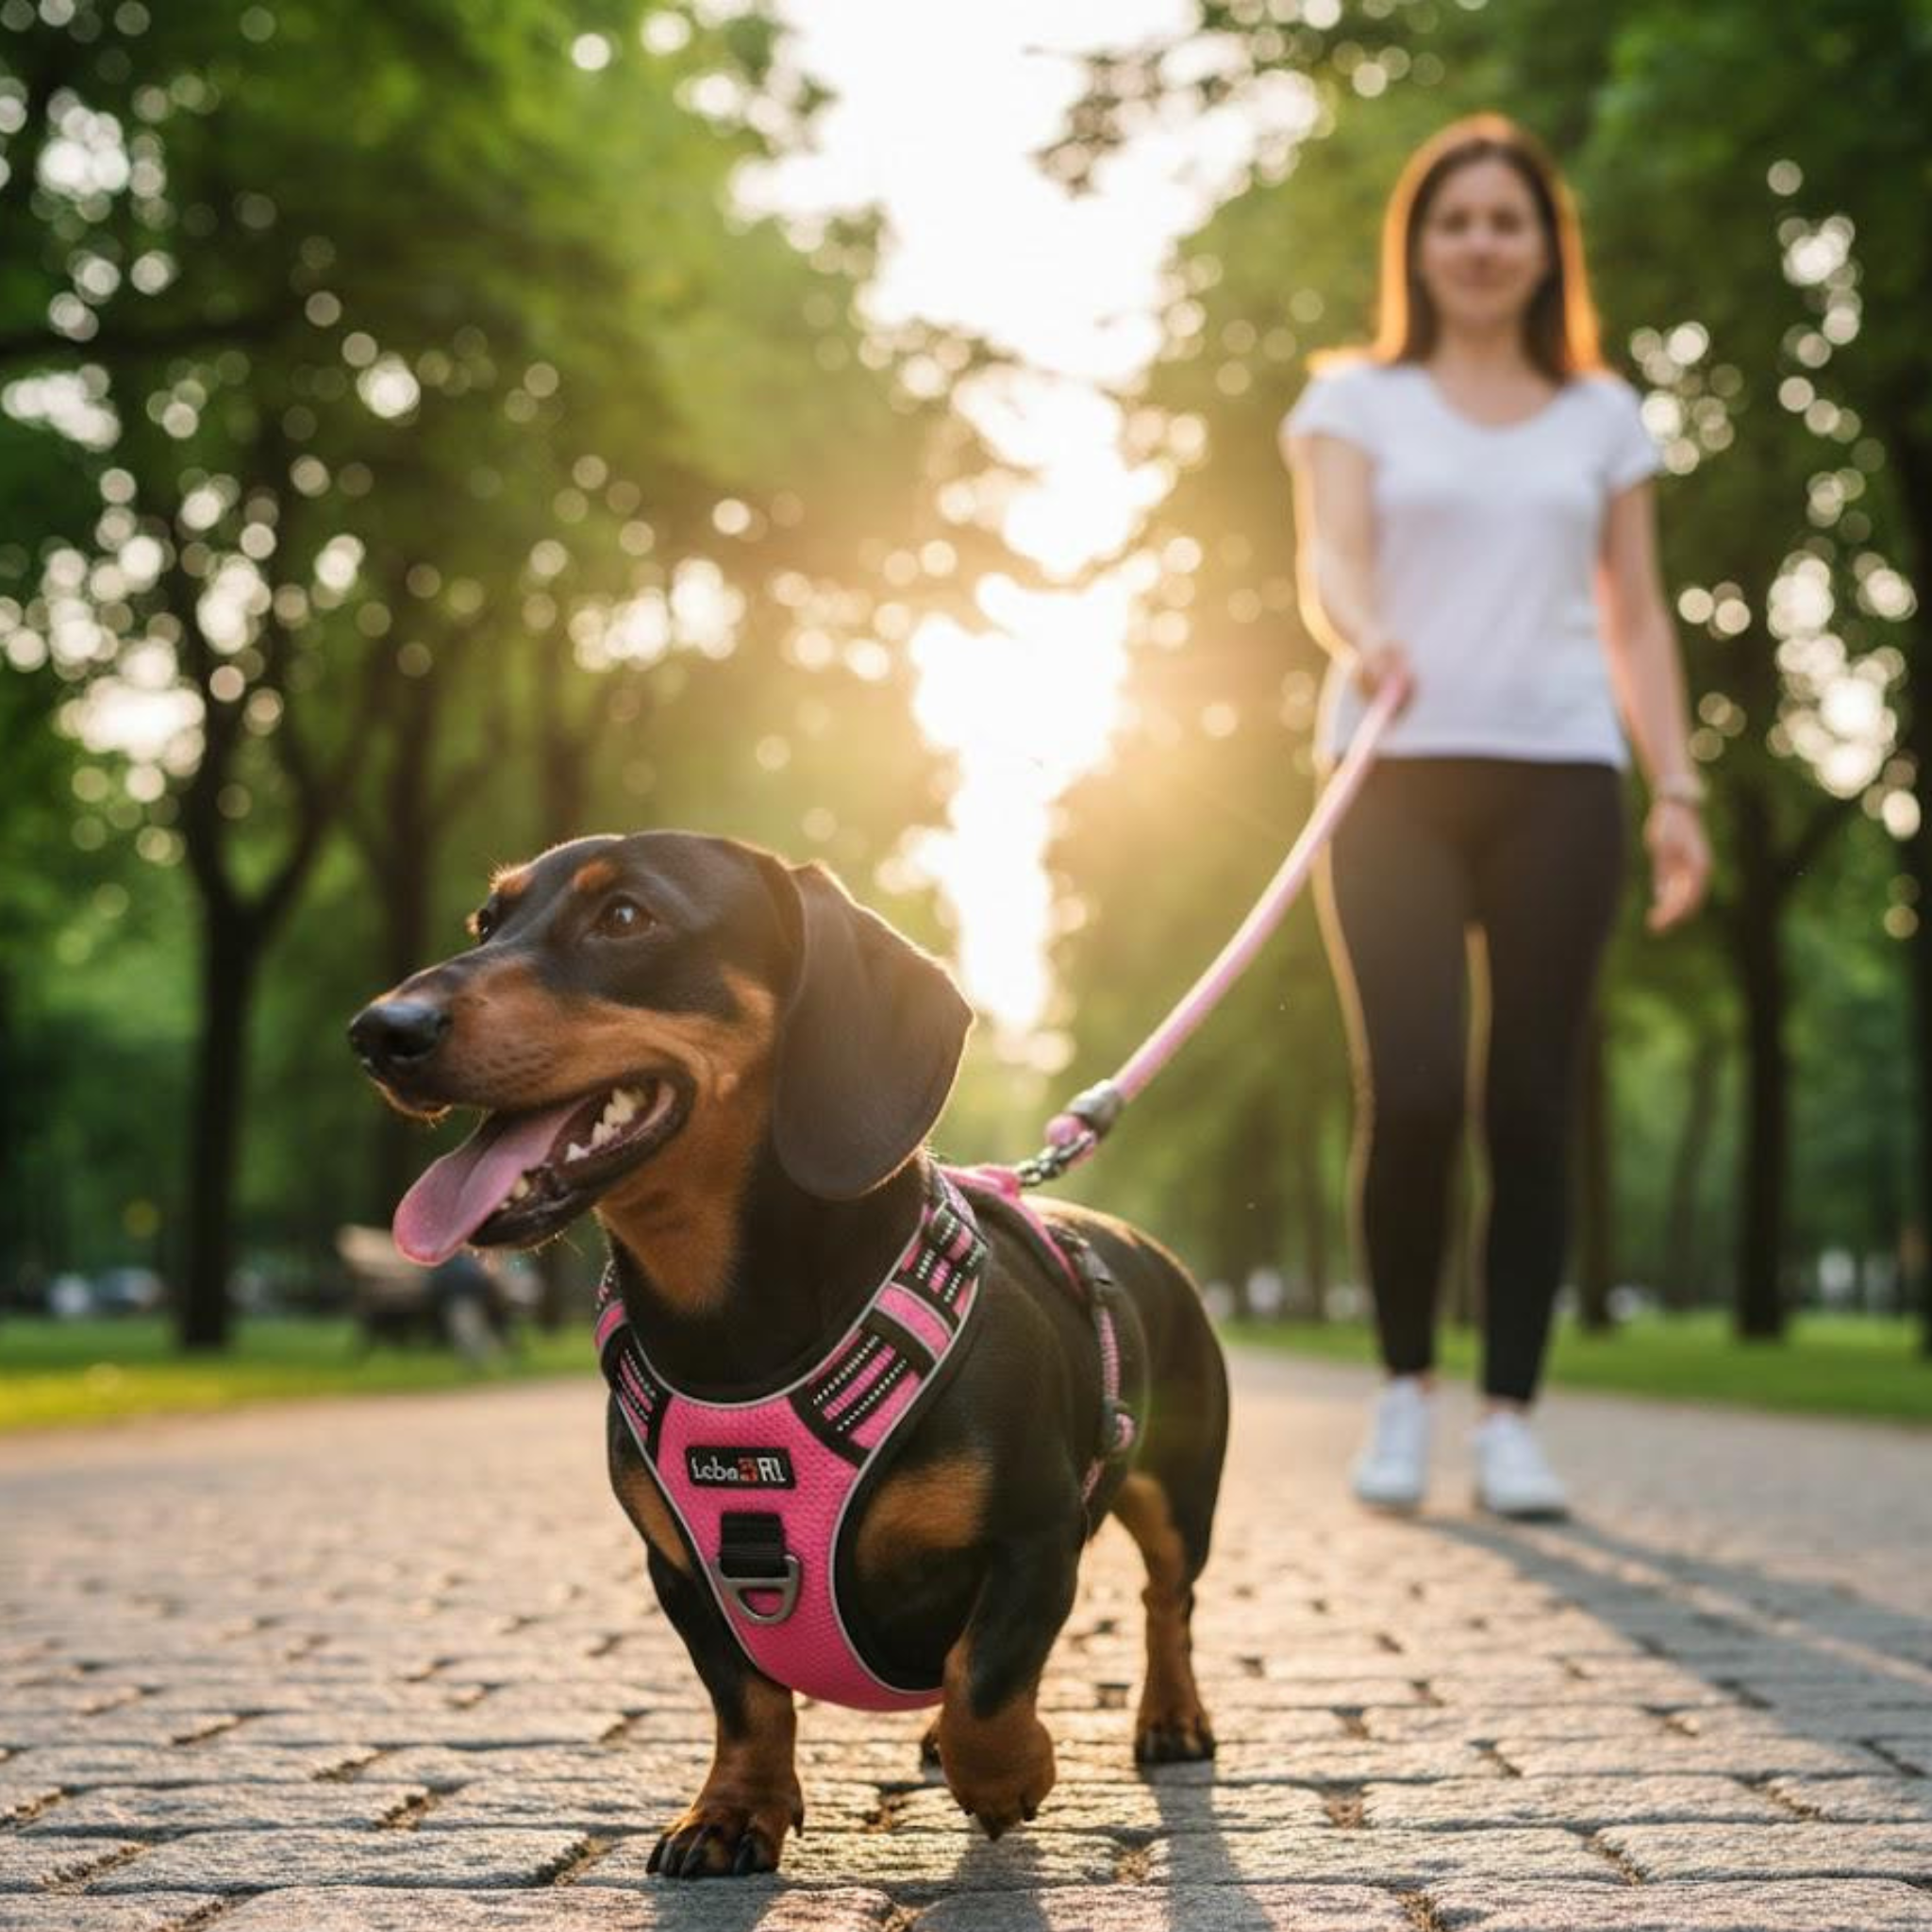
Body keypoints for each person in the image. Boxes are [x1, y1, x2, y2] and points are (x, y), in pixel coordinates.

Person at [1280, 113, 1710, 1518]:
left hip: (1561, 772)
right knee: (1412, 1092)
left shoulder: (1606, 415)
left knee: (1532, 1100)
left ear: (1543, 248)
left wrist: (1679, 787)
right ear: (1418, 244)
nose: (1478, 243)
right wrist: (1369, 630)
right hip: (1393, 768)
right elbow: (1331, 556)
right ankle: (1404, 1393)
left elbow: (1636, 611)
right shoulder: (1354, 399)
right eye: (1453, 220)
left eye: (1504, 221)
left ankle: (1512, 1415)